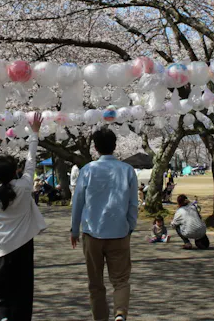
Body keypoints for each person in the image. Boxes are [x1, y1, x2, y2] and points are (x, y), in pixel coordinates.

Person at [0, 114, 46, 321]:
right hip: (24, 247)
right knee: (22, 291)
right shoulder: (25, 186)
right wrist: (34, 133)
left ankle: (0, 316)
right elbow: (31, 160)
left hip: (2, 249)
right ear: (16, 170)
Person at [71, 127, 138, 321]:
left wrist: (74, 229)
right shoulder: (127, 170)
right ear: (115, 146)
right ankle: (120, 314)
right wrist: (130, 227)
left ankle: (100, 318)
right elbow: (133, 204)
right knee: (121, 280)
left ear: (95, 147)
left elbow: (78, 202)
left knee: (95, 283)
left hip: (92, 232)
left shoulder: (88, 170)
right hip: (119, 232)